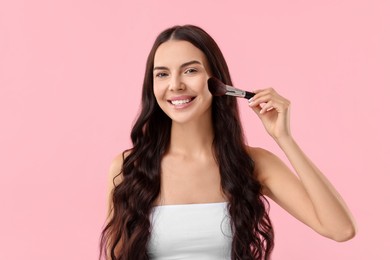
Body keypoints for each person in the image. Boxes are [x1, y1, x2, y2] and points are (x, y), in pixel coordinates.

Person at [100, 24, 356, 260]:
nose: (176, 85)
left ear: (216, 81)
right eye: (162, 74)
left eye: (190, 70)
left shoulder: (252, 164)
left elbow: (341, 229)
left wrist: (283, 138)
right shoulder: (128, 168)